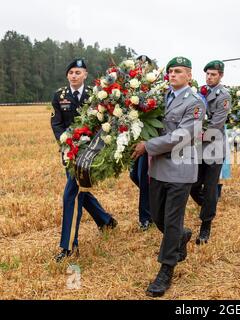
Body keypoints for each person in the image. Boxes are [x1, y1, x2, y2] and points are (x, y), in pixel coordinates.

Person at [132, 56, 206, 297]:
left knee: (172, 219)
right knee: (157, 216)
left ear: (189, 76)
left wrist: (148, 146)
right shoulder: (161, 97)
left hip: (180, 169)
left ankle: (165, 271)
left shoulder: (195, 102)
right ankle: (182, 236)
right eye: (170, 71)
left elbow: (183, 135)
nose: (172, 75)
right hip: (158, 168)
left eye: (178, 71)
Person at [51, 58, 117, 263]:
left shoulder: (95, 95)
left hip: (91, 153)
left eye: (78, 72)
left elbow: (103, 121)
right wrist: (65, 143)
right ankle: (105, 221)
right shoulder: (59, 96)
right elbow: (57, 123)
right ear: (67, 75)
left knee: (71, 194)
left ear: (85, 75)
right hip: (70, 153)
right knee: (80, 190)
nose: (74, 75)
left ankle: (68, 246)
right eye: (71, 72)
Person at [190, 60, 231, 245]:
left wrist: (194, 135)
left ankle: (206, 225)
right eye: (207, 74)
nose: (209, 77)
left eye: (213, 74)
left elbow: (216, 124)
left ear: (220, 76)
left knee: (210, 187)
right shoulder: (200, 92)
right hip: (198, 148)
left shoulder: (224, 96)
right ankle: (209, 205)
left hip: (213, 147)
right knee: (192, 184)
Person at [129, 55, 155, 231]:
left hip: (149, 138)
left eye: (144, 66)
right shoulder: (130, 88)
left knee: (144, 179)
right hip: (134, 137)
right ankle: (156, 201)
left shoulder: (155, 89)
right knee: (134, 176)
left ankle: (146, 217)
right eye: (139, 65)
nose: (141, 68)